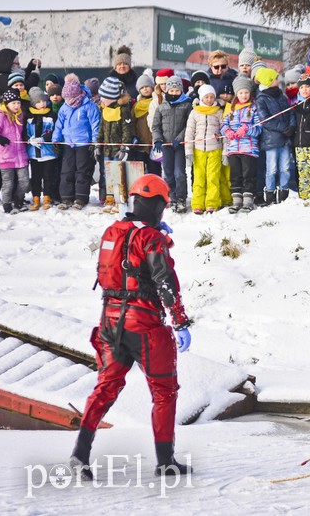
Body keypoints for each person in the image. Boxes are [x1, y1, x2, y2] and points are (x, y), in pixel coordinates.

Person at [69, 174, 193, 481]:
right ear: (157, 206)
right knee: (164, 392)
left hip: (110, 321)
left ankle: (79, 453)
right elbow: (165, 281)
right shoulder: (152, 238)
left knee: (106, 386)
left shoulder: (112, 230)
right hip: (145, 325)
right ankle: (166, 461)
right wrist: (179, 320)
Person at [53, 73, 100, 210]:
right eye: (66, 98)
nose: (69, 100)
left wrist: (94, 142)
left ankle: (81, 197)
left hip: (83, 144)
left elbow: (95, 124)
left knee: (82, 170)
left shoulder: (89, 106)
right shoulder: (64, 108)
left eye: (71, 97)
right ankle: (66, 197)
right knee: (67, 170)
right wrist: (56, 140)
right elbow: (59, 125)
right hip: (68, 143)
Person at [152, 76, 193, 213]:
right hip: (166, 145)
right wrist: (158, 139)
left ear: (181, 90)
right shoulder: (161, 107)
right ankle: (172, 197)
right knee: (168, 173)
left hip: (179, 145)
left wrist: (180, 138)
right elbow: (156, 126)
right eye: (172, 90)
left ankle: (181, 198)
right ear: (167, 90)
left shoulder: (187, 105)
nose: (174, 93)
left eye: (177, 90)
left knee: (179, 173)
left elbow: (189, 124)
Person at [254, 68, 295, 205]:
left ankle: (283, 192)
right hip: (271, 140)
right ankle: (270, 194)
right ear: (269, 81)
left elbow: (290, 113)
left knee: (285, 167)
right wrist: (283, 128)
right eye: (275, 78)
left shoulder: (281, 96)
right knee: (271, 169)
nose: (278, 81)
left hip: (285, 139)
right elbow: (264, 120)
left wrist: (291, 126)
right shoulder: (261, 99)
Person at [222, 74, 262, 212]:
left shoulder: (253, 108)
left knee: (248, 175)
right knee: (235, 175)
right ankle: (237, 201)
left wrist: (247, 129)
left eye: (246, 92)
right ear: (236, 93)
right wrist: (227, 132)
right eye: (241, 93)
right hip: (233, 149)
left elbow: (258, 128)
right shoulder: (230, 109)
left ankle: (248, 201)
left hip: (249, 149)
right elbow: (223, 125)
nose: (244, 95)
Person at [186, 84, 227, 214]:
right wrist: (188, 152)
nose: (209, 99)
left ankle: (212, 203)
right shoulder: (195, 112)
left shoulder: (218, 112)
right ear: (201, 98)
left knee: (213, 178)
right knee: (198, 178)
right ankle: (197, 204)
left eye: (211, 97)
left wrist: (225, 152)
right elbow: (189, 133)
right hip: (198, 150)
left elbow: (225, 132)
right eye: (206, 97)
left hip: (215, 149)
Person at [96, 76, 135, 211]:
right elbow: (101, 128)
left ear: (112, 97)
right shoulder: (104, 109)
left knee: (118, 173)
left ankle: (120, 199)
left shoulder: (123, 109)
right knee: (107, 174)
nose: (101, 100)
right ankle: (109, 198)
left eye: (104, 97)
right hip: (107, 149)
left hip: (118, 149)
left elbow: (126, 129)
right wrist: (98, 144)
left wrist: (125, 147)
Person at [24, 87, 58, 210]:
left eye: (44, 101)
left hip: (48, 153)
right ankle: (36, 198)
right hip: (33, 153)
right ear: (33, 103)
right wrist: (29, 139)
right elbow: (24, 132)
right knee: (36, 177)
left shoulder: (52, 115)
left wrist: (44, 139)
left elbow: (55, 131)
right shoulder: (28, 117)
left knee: (48, 176)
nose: (42, 104)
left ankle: (47, 197)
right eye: (38, 102)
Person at [0, 88, 30, 213]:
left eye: (18, 103)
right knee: (8, 183)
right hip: (6, 155)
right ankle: (6, 204)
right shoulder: (1, 116)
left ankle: (18, 201)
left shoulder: (21, 116)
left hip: (20, 155)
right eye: (13, 103)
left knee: (24, 181)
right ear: (7, 104)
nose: (17, 106)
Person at [293, 75, 310, 199]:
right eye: (302, 87)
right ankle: (304, 196)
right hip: (299, 144)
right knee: (302, 172)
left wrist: (305, 111)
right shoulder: (297, 104)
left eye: (307, 86)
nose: (304, 90)